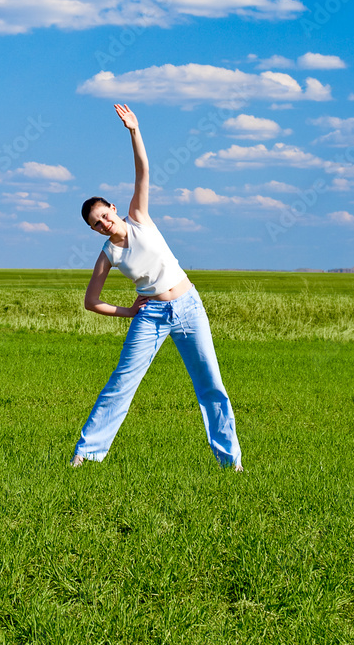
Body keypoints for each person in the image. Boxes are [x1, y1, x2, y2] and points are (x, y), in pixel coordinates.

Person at [70, 103, 242, 470]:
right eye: (96, 224)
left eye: (104, 215)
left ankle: (231, 463)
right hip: (150, 317)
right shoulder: (107, 255)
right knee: (121, 384)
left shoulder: (139, 217)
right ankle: (85, 455)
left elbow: (143, 171)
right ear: (94, 231)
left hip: (188, 306)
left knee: (211, 384)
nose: (103, 223)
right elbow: (91, 301)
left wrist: (134, 130)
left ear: (113, 208)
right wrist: (128, 311)